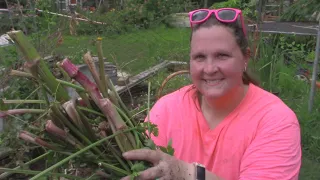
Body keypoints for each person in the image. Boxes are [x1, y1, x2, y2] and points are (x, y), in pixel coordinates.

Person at [121, 8, 302, 180]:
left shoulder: (276, 121)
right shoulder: (167, 109)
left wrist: (189, 173)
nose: (209, 69)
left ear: (246, 57)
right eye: (200, 57)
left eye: (222, 55)